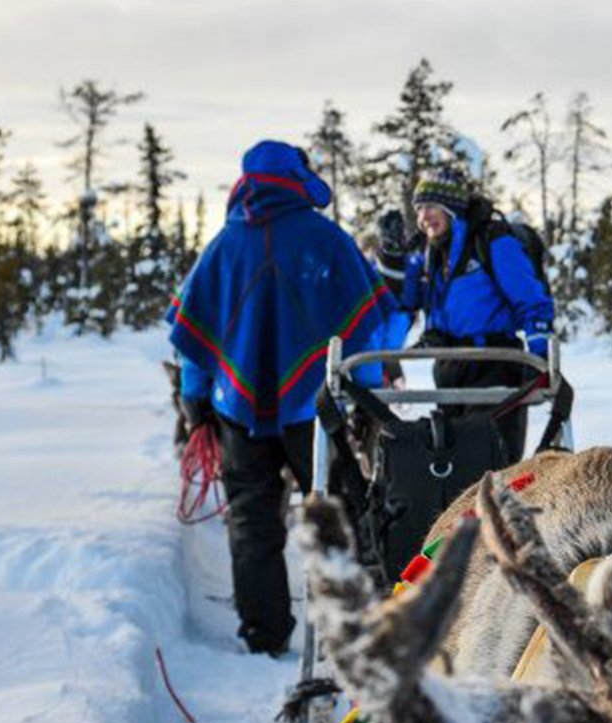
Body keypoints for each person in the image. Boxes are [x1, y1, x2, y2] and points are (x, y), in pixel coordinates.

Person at [168, 140, 397, 656]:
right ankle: (354, 630)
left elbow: (194, 336)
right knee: (336, 511)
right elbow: (371, 323)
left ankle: (265, 632)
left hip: (237, 411)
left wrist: (194, 398)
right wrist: (373, 391)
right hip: (315, 410)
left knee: (252, 519)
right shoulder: (327, 241)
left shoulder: (226, 245)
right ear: (297, 177)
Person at [396, 170, 555, 461]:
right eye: (418, 209)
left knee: (492, 463)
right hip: (449, 367)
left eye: (431, 207)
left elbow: (532, 301)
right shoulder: (430, 254)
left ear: (451, 208)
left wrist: (539, 355)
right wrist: (393, 261)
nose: (423, 217)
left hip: (494, 362)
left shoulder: (493, 241)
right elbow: (407, 304)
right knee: (454, 467)